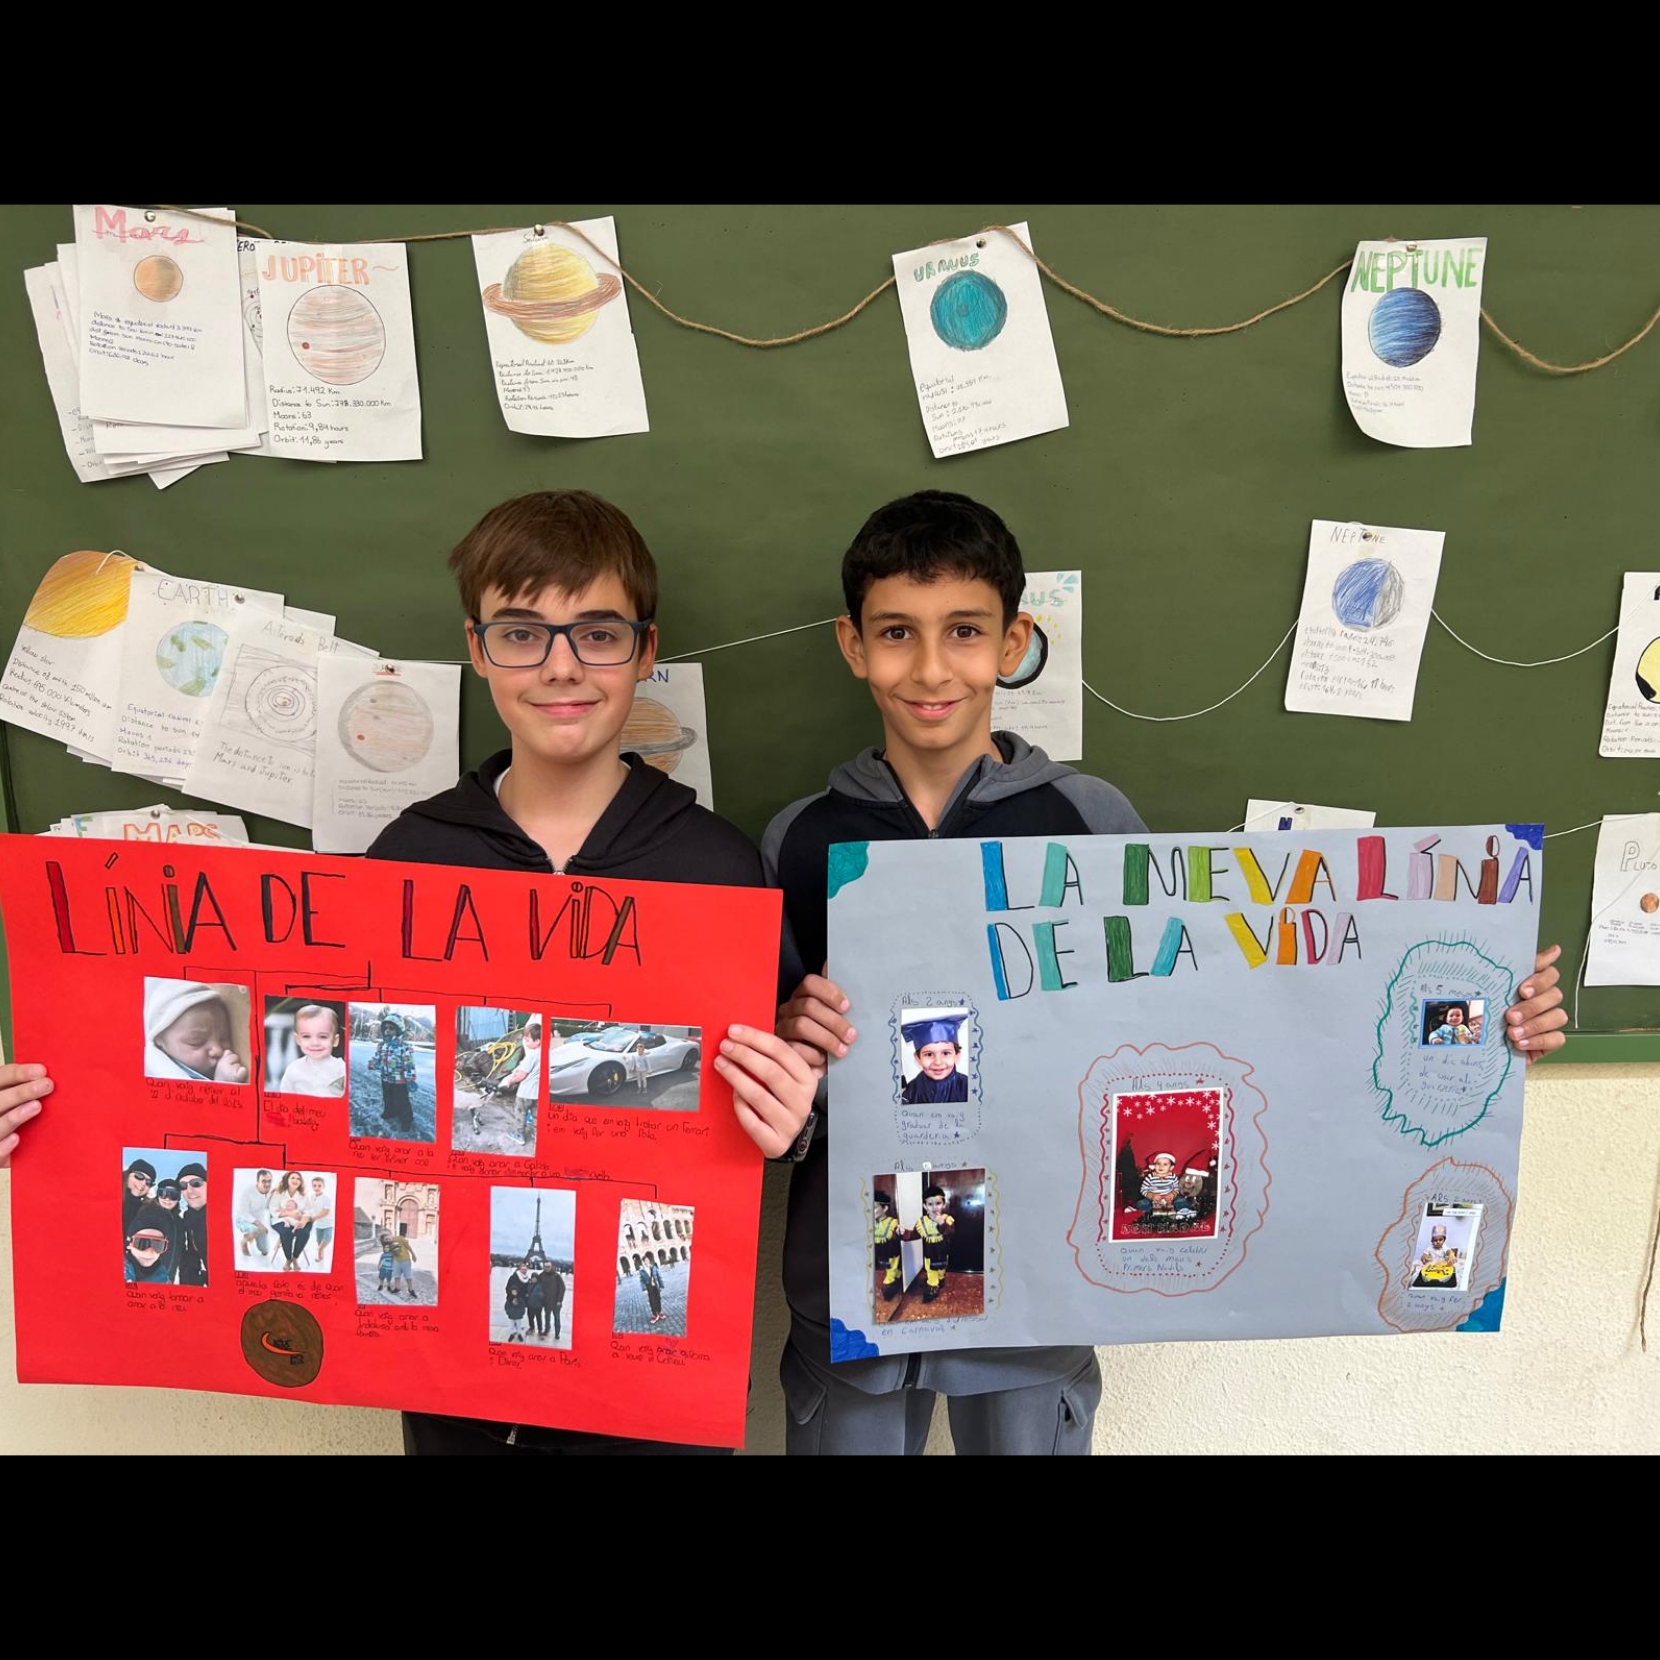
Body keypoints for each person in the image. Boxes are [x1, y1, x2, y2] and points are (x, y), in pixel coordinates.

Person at [767, 489, 1573, 1456]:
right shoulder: (799, 840)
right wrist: (790, 1050)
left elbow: (1217, 1019)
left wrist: (1485, 1025)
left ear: (1014, 642)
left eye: (966, 631)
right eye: (897, 632)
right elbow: (776, 1102)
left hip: (1038, 1280)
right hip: (856, 1281)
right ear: (854, 645)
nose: (932, 667)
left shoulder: (1090, 823)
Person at [360, 489, 817, 1455]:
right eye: (522, 633)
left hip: (651, 1378)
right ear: (477, 649)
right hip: (456, 1375)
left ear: (646, 653)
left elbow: (773, 1094)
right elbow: (337, 1094)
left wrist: (793, 1121)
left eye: (598, 633)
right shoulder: (409, 858)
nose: (561, 666)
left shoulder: (719, 868)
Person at [143, 981, 248, 1084]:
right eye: (197, 1042)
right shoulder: (156, 1073)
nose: (218, 1050)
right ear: (160, 1041)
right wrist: (221, 1083)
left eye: (224, 1037)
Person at [491, 1018, 542, 1146]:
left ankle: (519, 1135)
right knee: (536, 1116)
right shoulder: (544, 1053)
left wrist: (510, 1081)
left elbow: (521, 1075)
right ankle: (538, 1135)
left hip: (525, 1093)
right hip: (538, 1093)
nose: (525, 1041)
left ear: (538, 1041)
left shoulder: (531, 1055)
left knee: (521, 1113)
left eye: (528, 1040)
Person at [278, 1005, 347, 1096]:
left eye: (323, 1036)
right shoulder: (294, 1068)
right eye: (306, 1036)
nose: (315, 1043)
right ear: (298, 1039)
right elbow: (285, 1095)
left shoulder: (342, 1069)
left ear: (335, 1040)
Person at [899, 1015, 969, 1103]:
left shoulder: (968, 1087)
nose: (938, 1062)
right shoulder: (912, 1091)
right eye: (929, 1054)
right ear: (918, 1058)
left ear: (957, 1056)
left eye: (946, 1053)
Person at [368, 1014, 418, 1133]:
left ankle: (406, 1120)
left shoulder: (404, 1047)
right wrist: (373, 1063)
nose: (387, 1031)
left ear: (399, 1030)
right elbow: (378, 1057)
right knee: (387, 1097)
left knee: (402, 1101)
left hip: (399, 1081)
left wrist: (410, 1079)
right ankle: (389, 1111)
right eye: (386, 1028)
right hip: (385, 1078)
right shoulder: (382, 1046)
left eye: (391, 1028)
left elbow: (409, 1064)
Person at [907, 1184, 954, 1303]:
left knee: (941, 1269)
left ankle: (940, 1278)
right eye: (930, 1204)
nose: (934, 1207)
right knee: (931, 1270)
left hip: (942, 1252)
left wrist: (941, 1222)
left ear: (944, 1204)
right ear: (925, 1206)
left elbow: (950, 1233)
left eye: (938, 1203)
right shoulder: (922, 1222)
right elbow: (914, 1234)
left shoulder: (947, 1219)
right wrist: (903, 1233)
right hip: (929, 1253)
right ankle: (933, 1285)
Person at [268, 1170, 313, 1272]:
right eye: (293, 1178)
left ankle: (295, 1258)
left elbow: (308, 1212)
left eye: (298, 1179)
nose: (295, 1180)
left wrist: (303, 1222)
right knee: (286, 1232)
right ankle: (288, 1259)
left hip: (300, 1220)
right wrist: (290, 1214)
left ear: (301, 1182)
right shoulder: (278, 1193)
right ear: (287, 1179)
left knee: (304, 1233)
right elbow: (273, 1210)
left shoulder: (304, 1195)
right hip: (280, 1219)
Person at [174, 1161, 209, 1287]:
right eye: (183, 1185)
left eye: (196, 1183)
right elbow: (192, 1253)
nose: (189, 1190)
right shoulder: (189, 1217)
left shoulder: (225, 1212)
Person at [124, 1203, 177, 1284]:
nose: (150, 1251)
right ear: (129, 1243)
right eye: (142, 1243)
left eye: (158, 1245)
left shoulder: (165, 1283)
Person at [236, 1169, 274, 1260]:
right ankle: (244, 1242)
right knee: (255, 1229)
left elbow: (270, 1207)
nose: (267, 1184)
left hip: (259, 1221)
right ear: (257, 1182)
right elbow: (244, 1212)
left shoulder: (270, 1192)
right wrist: (259, 1224)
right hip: (243, 1219)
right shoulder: (248, 1192)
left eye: (269, 1181)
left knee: (265, 1251)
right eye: (263, 1181)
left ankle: (252, 1235)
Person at [873, 1189, 903, 1301]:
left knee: (891, 1267)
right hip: (880, 1251)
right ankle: (897, 1275)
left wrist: (898, 1232)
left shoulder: (892, 1222)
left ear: (885, 1208)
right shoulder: (872, 1223)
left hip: (891, 1252)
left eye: (874, 1207)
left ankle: (890, 1282)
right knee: (885, 1265)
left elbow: (897, 1234)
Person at [1412, 1224, 1461, 1288]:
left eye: (1440, 1240)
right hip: (1431, 1267)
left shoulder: (1444, 1247)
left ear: (1444, 1240)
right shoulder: (1429, 1248)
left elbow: (1449, 1252)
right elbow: (1424, 1255)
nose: (1438, 1242)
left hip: (1442, 1267)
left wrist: (1451, 1255)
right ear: (1431, 1240)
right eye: (1435, 1240)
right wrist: (1424, 1257)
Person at [121, 1157, 157, 1235]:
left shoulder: (146, 1212)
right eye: (139, 1176)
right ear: (127, 1175)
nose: (143, 1184)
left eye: (148, 1182)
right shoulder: (109, 1197)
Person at [306, 1175, 334, 1272]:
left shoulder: (326, 1198)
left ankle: (319, 1250)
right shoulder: (311, 1197)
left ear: (323, 1186)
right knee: (319, 1241)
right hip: (318, 1225)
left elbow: (325, 1211)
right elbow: (310, 1208)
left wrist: (314, 1217)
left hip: (328, 1224)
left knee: (327, 1239)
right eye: (314, 1185)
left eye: (319, 1186)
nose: (317, 1187)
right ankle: (320, 1257)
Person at [502, 1262, 533, 1342]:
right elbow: (508, 1288)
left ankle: (518, 1331)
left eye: (525, 1269)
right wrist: (513, 1298)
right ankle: (513, 1332)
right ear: (519, 1269)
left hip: (522, 1300)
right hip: (513, 1298)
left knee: (518, 1317)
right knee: (512, 1318)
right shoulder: (513, 1277)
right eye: (522, 1269)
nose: (524, 1271)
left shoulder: (527, 1278)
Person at [539, 1262, 567, 1340]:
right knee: (547, 1317)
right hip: (546, 1301)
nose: (547, 1268)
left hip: (556, 1302)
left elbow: (562, 1288)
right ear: (543, 1267)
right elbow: (537, 1285)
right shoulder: (541, 1275)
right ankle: (547, 1329)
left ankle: (557, 1333)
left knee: (557, 1318)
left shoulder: (556, 1276)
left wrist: (559, 1300)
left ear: (551, 1267)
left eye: (548, 1266)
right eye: (545, 1266)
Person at [639, 1253, 665, 1325]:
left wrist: (661, 1285)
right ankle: (655, 1314)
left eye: (648, 1260)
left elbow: (659, 1277)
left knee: (658, 1299)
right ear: (643, 1262)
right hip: (649, 1287)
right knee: (652, 1301)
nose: (647, 1261)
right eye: (645, 1261)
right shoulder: (642, 1271)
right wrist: (644, 1289)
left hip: (655, 1286)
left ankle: (659, 1312)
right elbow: (642, 1281)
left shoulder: (653, 1267)